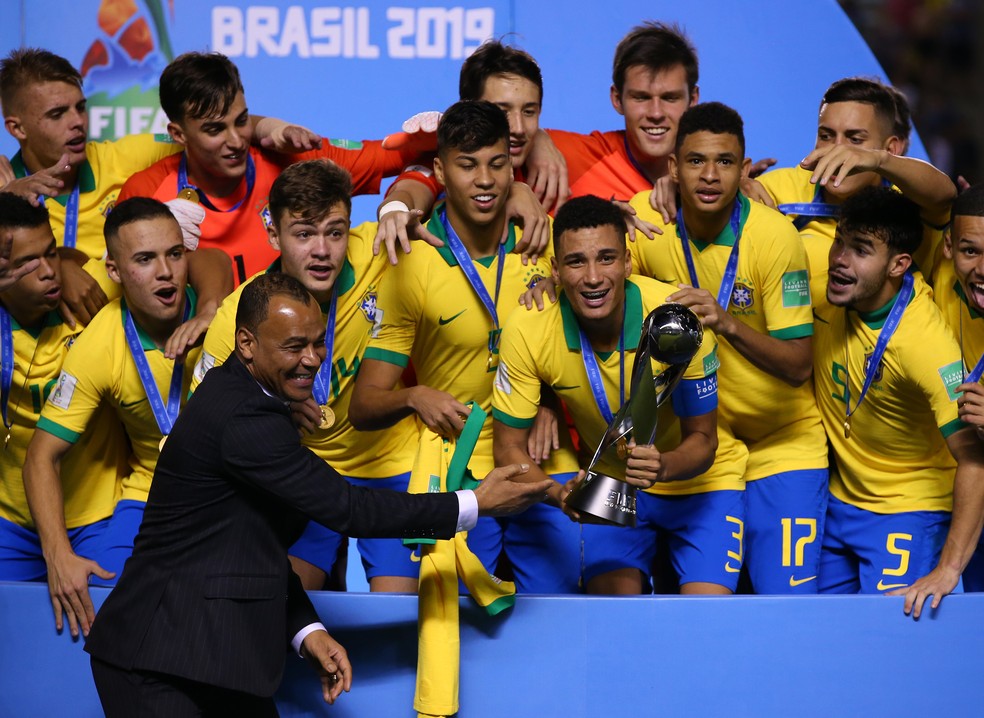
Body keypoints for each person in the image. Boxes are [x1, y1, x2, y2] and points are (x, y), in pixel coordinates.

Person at [83, 271, 551, 716]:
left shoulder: (257, 402)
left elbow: (246, 544)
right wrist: (474, 505)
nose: (312, 358)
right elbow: (348, 509)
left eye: (317, 341)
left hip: (211, 654)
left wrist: (306, 630)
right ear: (246, 343)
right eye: (293, 346)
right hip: (155, 660)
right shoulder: (243, 418)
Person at [350, 100, 581, 594]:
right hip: (460, 471)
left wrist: (548, 401)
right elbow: (365, 404)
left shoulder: (540, 241)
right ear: (439, 169)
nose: (484, 180)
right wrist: (414, 397)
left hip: (534, 456)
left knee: (570, 607)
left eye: (497, 165)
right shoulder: (413, 262)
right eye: (467, 165)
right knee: (457, 625)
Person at [492, 194, 748, 594]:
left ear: (628, 262)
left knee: (705, 617)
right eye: (576, 261)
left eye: (607, 258)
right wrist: (558, 492)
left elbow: (705, 440)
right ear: (555, 270)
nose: (593, 277)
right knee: (612, 615)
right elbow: (508, 448)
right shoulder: (527, 328)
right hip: (613, 483)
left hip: (700, 482)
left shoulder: (675, 318)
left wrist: (661, 467)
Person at [192, 159, 424, 592]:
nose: (322, 250)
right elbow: (206, 425)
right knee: (288, 603)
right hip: (304, 473)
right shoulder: (239, 315)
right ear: (273, 234)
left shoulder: (381, 252)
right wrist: (274, 411)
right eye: (303, 234)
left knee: (395, 612)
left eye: (335, 232)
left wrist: (399, 202)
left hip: (389, 464)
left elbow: (434, 170)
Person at [628, 103, 829, 594]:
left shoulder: (775, 236)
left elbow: (800, 366)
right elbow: (591, 280)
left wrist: (727, 324)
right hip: (701, 449)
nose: (710, 175)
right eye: (696, 161)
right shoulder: (647, 222)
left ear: (743, 168)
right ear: (672, 167)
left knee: (785, 603)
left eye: (725, 162)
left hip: (781, 445)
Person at [23, 197, 206, 635]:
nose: (165, 272)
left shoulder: (230, 315)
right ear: (115, 272)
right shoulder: (99, 343)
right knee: (101, 610)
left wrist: (214, 305)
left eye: (174, 254)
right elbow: (40, 457)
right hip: (149, 494)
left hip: (232, 494)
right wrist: (58, 554)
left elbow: (216, 262)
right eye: (144, 259)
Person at [812, 186, 984, 617]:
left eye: (861, 250)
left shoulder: (926, 344)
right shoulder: (822, 289)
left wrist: (947, 569)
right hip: (840, 500)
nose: (840, 259)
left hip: (910, 509)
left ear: (899, 264)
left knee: (890, 644)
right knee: (820, 634)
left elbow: (976, 461)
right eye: (840, 243)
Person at [119, 51, 436, 285]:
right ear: (177, 134)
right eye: (215, 130)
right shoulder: (148, 194)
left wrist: (440, 132)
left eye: (242, 121)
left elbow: (390, 156)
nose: (236, 141)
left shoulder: (293, 160)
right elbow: (123, 284)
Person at [0, 192, 124, 598]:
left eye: (49, 253)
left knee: (101, 633)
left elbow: (203, 257)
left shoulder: (91, 292)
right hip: (12, 520)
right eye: (26, 263)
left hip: (97, 514)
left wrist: (71, 261)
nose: (47, 272)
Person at [750, 77, 955, 303]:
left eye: (855, 139)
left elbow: (945, 196)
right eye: (825, 136)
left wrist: (877, 160)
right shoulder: (777, 189)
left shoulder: (910, 200)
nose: (837, 151)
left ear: (890, 148)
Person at [931, 183, 984, 590]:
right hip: (951, 489)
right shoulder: (937, 274)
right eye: (971, 252)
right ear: (948, 248)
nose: (983, 268)